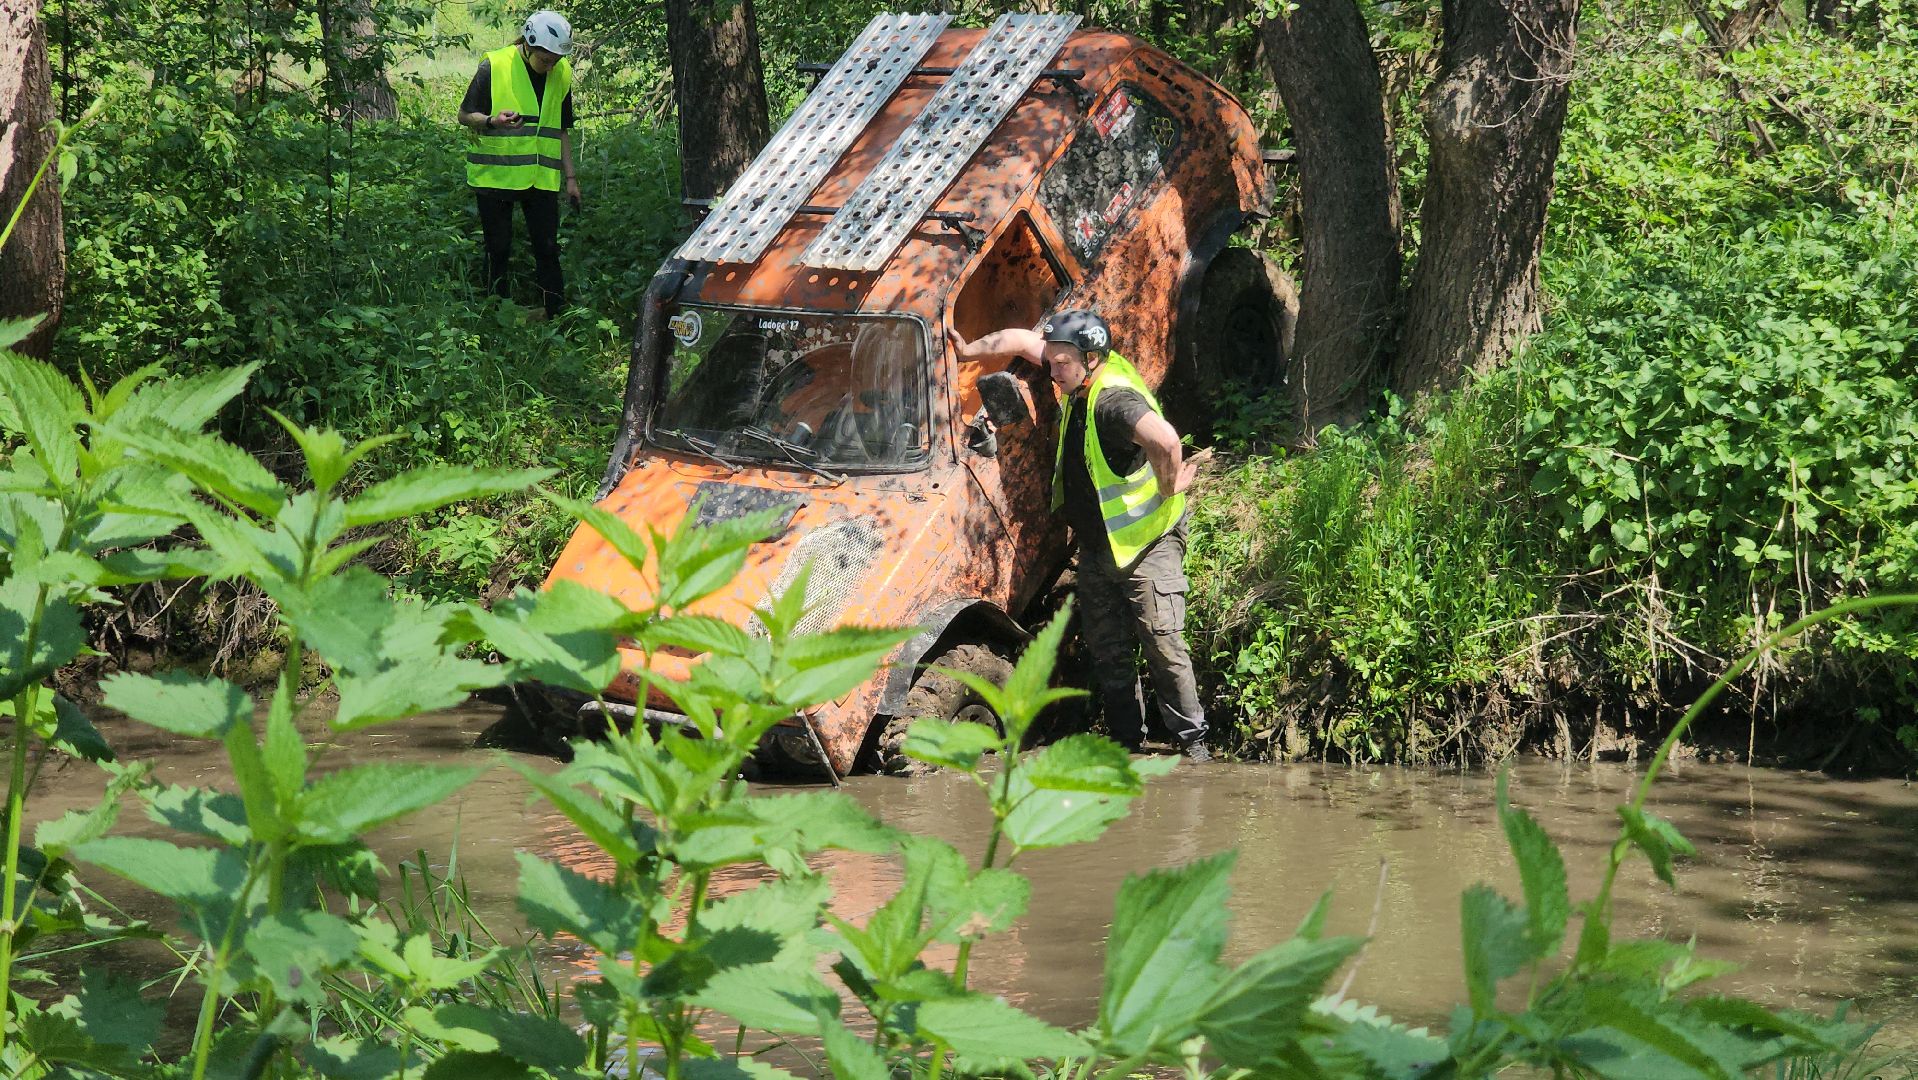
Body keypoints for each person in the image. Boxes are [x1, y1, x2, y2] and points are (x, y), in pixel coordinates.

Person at [948, 310, 1211, 761]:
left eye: (1061, 363)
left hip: (1147, 543)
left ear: (1090, 359)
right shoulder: (1075, 372)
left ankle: (1195, 747)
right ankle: (1126, 746)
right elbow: (1016, 337)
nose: (1051, 371)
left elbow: (1166, 441)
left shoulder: (1112, 401)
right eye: (1051, 360)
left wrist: (1171, 485)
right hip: (1098, 547)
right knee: (1108, 652)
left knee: (1164, 646)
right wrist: (968, 350)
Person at [457, 10, 581, 321]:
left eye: (555, 59)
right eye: (545, 59)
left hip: (541, 178)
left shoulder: (561, 72)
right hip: (495, 175)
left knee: (548, 248)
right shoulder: (495, 66)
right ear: (529, 44)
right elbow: (464, 115)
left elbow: (561, 129)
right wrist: (491, 121)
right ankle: (497, 314)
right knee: (497, 249)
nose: (550, 65)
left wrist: (570, 178)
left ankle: (556, 315)